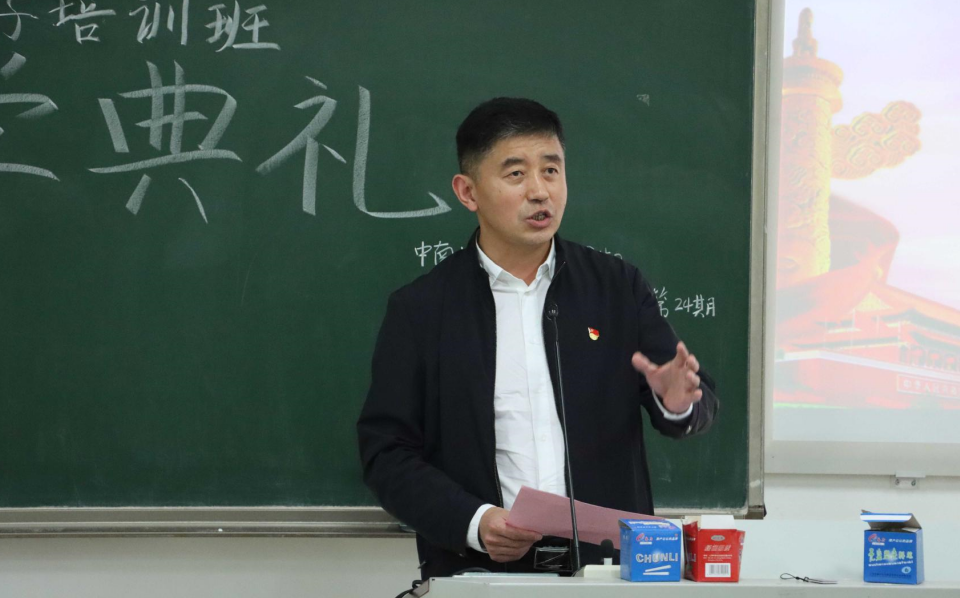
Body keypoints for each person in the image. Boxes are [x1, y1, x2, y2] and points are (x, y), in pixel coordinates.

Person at [357, 97, 718, 579]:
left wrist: (676, 401)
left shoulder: (616, 288)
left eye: (551, 170)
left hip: (607, 574)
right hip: (481, 574)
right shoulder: (422, 310)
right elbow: (387, 453)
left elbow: (695, 403)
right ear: (468, 192)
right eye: (515, 174)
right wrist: (473, 521)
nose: (539, 191)